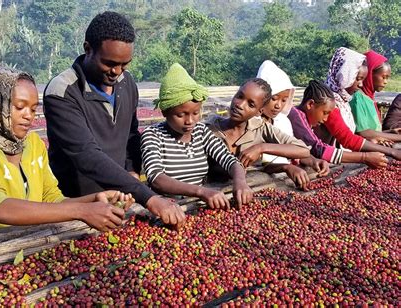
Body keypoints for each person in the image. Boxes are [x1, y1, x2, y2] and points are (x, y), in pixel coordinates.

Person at [0, 66, 134, 238]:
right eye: (19, 107)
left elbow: (52, 198)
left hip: (30, 243)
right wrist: (83, 211)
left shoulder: (33, 144)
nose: (28, 116)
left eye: (34, 109)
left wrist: (95, 199)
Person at [43, 11, 185, 227]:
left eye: (124, 65)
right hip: (77, 206)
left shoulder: (126, 83)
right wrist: (148, 197)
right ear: (88, 49)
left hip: (119, 201)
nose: (116, 72)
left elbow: (130, 134)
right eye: (109, 63)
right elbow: (86, 155)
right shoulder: (62, 92)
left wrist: (132, 172)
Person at [141, 63, 253, 209]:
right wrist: (200, 191)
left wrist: (240, 181)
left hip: (197, 205)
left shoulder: (201, 131)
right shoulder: (153, 135)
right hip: (166, 208)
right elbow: (156, 178)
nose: (190, 121)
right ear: (164, 112)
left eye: (195, 113)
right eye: (181, 115)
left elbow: (229, 159)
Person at [206, 77, 311, 189]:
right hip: (211, 194)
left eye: (251, 104)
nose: (240, 105)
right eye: (239, 96)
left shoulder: (260, 128)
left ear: (259, 111)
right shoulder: (209, 129)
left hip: (250, 190)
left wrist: (261, 148)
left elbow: (303, 150)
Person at [257, 60, 330, 189]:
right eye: (274, 98)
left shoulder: (283, 122)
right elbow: (260, 165)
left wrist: (314, 161)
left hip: (286, 182)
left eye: (284, 100)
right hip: (258, 184)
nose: (278, 105)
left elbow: (295, 150)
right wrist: (286, 167)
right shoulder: (252, 123)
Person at [287, 80, 389, 168]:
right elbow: (317, 148)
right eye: (325, 113)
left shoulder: (304, 117)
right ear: (310, 104)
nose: (325, 119)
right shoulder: (296, 116)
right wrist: (364, 157)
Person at [324, 47, 401, 145]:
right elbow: (360, 133)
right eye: (358, 78)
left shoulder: (351, 100)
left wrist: (389, 133)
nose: (361, 84)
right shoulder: (345, 100)